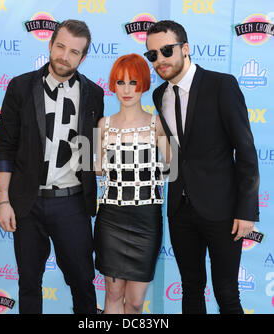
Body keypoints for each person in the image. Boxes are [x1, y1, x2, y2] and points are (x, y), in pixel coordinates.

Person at [145, 20, 260, 314]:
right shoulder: (160, 96)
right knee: (191, 287)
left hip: (223, 210)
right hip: (180, 211)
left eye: (166, 50)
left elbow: (245, 150)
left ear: (185, 48)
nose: (159, 60)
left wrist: (246, 211)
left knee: (227, 293)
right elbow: (175, 153)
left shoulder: (221, 85)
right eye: (152, 55)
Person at [0, 19, 104, 314]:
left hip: (72, 204)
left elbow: (95, 147)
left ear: (83, 57)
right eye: (60, 47)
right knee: (29, 283)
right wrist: (3, 200)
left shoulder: (95, 94)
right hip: (26, 204)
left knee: (82, 281)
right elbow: (4, 146)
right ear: (50, 44)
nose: (64, 56)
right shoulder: (20, 87)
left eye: (74, 52)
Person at [94, 53, 170, 314]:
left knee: (136, 301)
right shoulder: (103, 125)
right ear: (113, 85)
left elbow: (174, 167)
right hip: (111, 217)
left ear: (144, 84)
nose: (126, 90)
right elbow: (94, 169)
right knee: (113, 293)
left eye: (133, 82)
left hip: (146, 220)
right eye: (120, 82)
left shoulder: (157, 124)